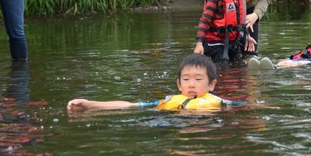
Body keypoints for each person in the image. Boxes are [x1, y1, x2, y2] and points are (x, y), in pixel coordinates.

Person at [68, 53, 235, 111]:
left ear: (212, 85)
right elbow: (129, 105)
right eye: (186, 79)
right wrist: (90, 104)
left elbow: (255, 106)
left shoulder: (220, 102)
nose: (191, 84)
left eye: (198, 79)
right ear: (179, 84)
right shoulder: (169, 101)